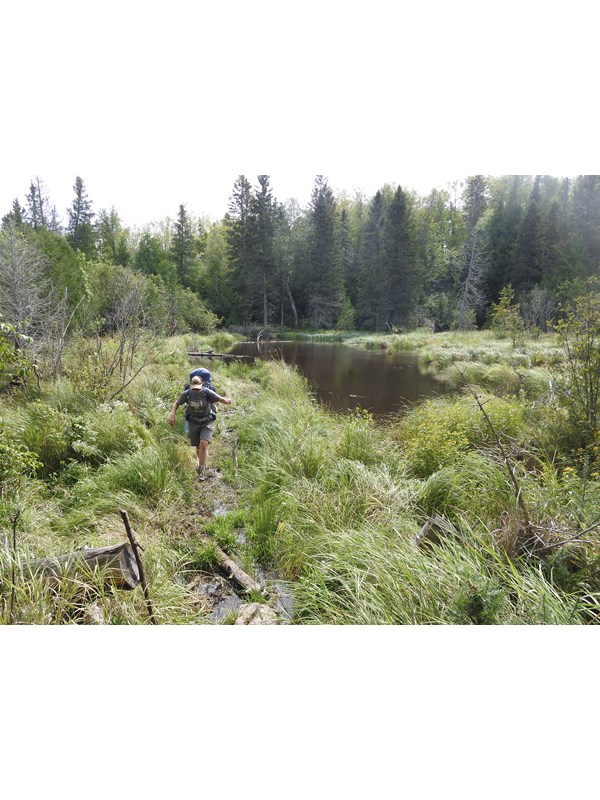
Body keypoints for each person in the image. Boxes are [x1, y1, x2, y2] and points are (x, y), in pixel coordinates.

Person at [169, 373, 232, 480]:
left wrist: (227, 400)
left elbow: (219, 398)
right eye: (194, 388)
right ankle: (201, 463)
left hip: (207, 421)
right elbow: (177, 403)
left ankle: (201, 469)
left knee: (203, 443)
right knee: (198, 446)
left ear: (202, 384)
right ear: (191, 385)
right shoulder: (187, 393)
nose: (196, 390)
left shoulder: (207, 392)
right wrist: (172, 415)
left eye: (198, 388)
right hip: (193, 422)